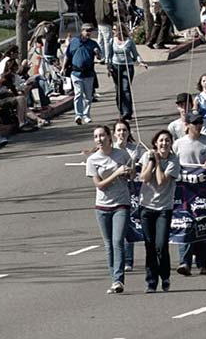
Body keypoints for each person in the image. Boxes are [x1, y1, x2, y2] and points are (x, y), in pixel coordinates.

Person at [85, 124, 134, 294]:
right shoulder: (92, 160)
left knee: (118, 241)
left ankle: (119, 280)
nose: (99, 139)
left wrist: (128, 172)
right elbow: (100, 185)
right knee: (108, 245)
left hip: (121, 203)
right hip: (102, 206)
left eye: (102, 136)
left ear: (109, 137)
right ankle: (114, 279)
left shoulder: (121, 154)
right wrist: (116, 173)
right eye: (96, 137)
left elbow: (132, 175)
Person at [173, 112, 206, 276]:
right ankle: (184, 262)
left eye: (200, 123)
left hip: (203, 192)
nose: (198, 126)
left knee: (203, 227)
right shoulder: (178, 144)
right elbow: (173, 164)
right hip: (185, 191)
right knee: (185, 225)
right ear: (187, 125)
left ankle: (202, 262)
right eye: (194, 123)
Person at [139, 129, 180, 293]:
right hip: (146, 208)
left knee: (161, 245)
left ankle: (165, 276)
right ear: (155, 143)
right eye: (161, 141)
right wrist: (151, 162)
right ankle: (151, 281)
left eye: (167, 141)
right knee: (149, 245)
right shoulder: (147, 157)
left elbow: (162, 181)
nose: (164, 144)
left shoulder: (173, 161)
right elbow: (144, 178)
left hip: (164, 208)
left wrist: (157, 162)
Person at [113, 119, 146, 272]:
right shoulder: (110, 149)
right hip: (117, 193)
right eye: (119, 130)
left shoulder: (136, 149)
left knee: (135, 224)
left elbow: (148, 163)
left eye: (124, 130)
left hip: (137, 192)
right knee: (122, 228)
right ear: (114, 134)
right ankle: (124, 260)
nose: (122, 133)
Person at [65, 23, 102, 125]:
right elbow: (67, 55)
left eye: (90, 31)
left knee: (88, 96)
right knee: (78, 94)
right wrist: (63, 68)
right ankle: (78, 115)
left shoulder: (93, 44)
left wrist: (97, 52)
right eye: (87, 30)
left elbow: (100, 57)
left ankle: (86, 115)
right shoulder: (74, 42)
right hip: (76, 72)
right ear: (82, 31)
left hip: (88, 73)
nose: (88, 33)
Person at [109, 23, 147, 121]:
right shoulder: (112, 41)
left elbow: (135, 54)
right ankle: (121, 110)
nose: (116, 33)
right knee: (118, 89)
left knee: (125, 89)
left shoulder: (129, 41)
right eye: (114, 31)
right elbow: (109, 55)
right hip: (115, 66)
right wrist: (108, 66)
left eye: (116, 31)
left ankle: (127, 112)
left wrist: (140, 62)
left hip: (127, 66)